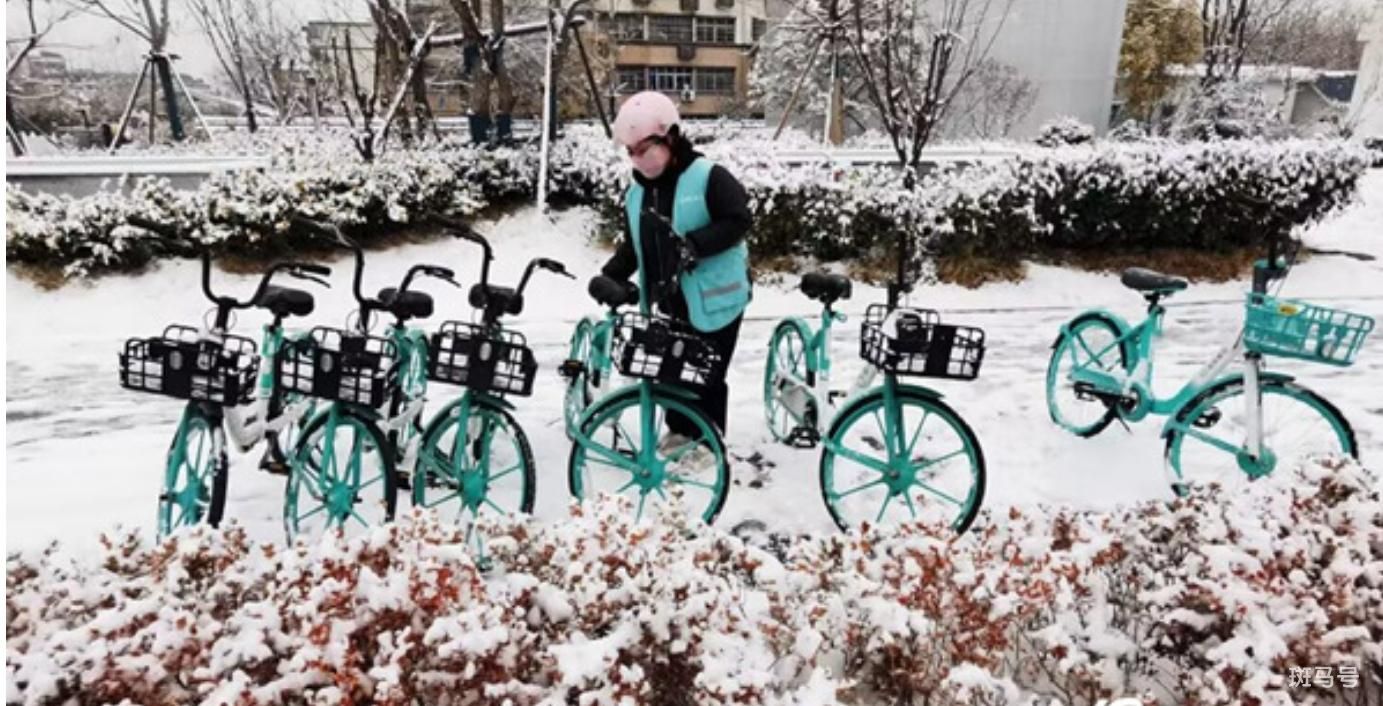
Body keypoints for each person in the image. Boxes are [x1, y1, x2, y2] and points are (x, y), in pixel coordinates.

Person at [600, 90, 752, 448]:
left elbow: (739, 219)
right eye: (632, 152)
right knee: (672, 369)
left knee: (707, 373)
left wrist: (695, 244)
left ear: (670, 137)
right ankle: (681, 432)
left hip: (717, 297)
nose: (639, 159)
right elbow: (635, 245)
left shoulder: (708, 176)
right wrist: (611, 275)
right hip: (671, 298)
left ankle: (708, 444)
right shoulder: (638, 194)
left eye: (646, 148)